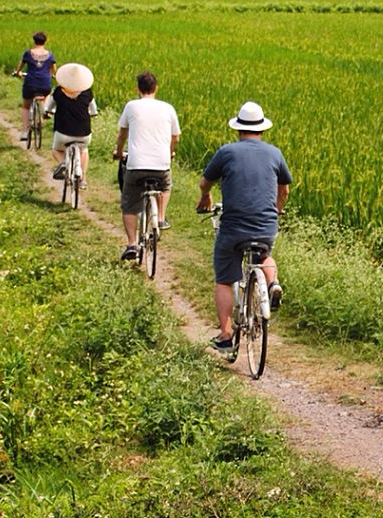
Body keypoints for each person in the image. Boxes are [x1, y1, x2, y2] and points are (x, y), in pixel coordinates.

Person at [196, 101, 290, 352]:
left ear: (238, 129)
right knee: (265, 255)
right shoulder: (275, 153)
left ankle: (226, 335)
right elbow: (284, 189)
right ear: (262, 129)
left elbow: (205, 182)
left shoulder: (227, 152)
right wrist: (277, 210)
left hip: (233, 228)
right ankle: (273, 284)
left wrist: (205, 198)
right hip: (266, 225)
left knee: (225, 279)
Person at [113, 71, 181, 261]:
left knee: (129, 203)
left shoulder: (131, 106)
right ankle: (160, 217)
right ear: (155, 88)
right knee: (165, 186)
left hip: (136, 165)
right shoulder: (168, 108)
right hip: (161, 164)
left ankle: (132, 244)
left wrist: (118, 152)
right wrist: (170, 152)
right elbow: (175, 137)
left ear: (138, 89)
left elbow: (122, 135)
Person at [44, 63, 98, 184]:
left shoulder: (58, 92)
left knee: (56, 150)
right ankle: (83, 179)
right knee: (83, 150)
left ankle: (63, 163)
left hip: (63, 132)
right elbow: (94, 111)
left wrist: (48, 112)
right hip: (84, 133)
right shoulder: (87, 93)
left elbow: (49, 107)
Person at [14, 31, 57, 141]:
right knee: (47, 94)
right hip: (44, 83)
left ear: (34, 41)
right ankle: (46, 109)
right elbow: (54, 71)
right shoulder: (50, 55)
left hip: (30, 82)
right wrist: (54, 76)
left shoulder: (28, 53)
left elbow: (20, 67)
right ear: (45, 41)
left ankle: (24, 131)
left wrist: (18, 73)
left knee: (25, 107)